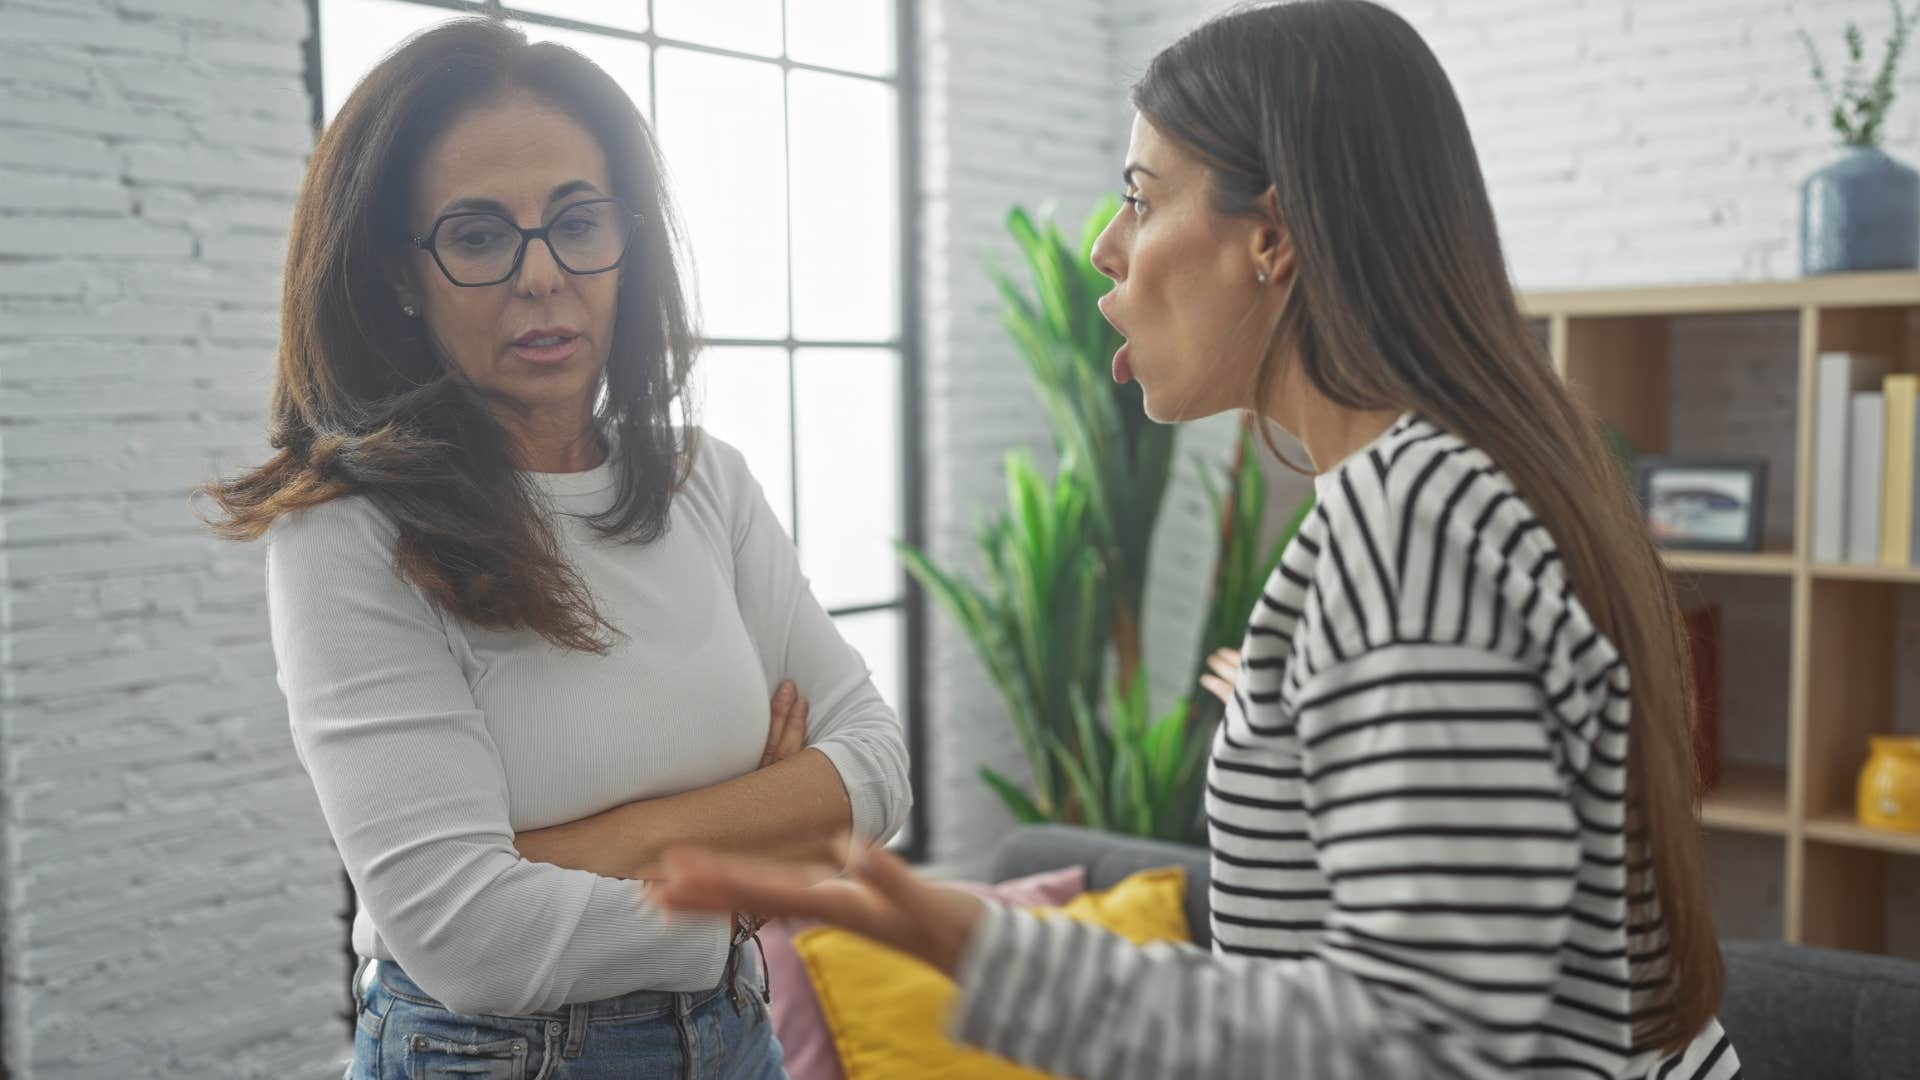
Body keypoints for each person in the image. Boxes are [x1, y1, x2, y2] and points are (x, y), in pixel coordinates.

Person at [651, 2, 1739, 1077]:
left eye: (1141, 196)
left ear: (1272, 237)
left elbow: (1423, 1046)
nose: (1104, 246)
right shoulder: (1438, 488)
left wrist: (984, 953)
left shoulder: (1412, 519)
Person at [202, 17, 910, 1079]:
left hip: (736, 1037)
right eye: (479, 236)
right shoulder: (347, 531)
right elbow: (472, 940)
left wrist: (570, 856)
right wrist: (758, 850)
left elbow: (879, 767)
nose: (542, 275)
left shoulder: (705, 479)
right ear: (400, 274)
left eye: (578, 222)